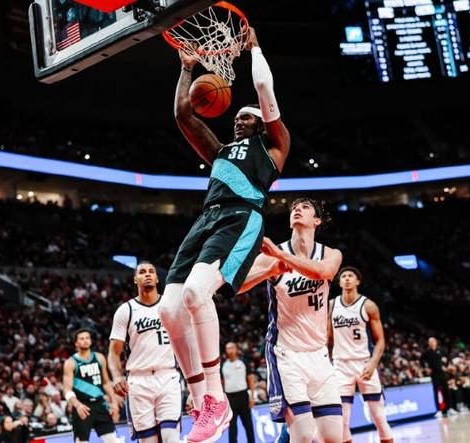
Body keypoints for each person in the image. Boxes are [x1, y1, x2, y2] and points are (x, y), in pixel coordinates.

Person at [158, 26, 291, 442]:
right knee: (168, 310)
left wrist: (255, 49)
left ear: (260, 122)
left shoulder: (274, 146)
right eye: (235, 118)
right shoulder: (218, 151)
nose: (238, 121)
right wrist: (187, 68)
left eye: (245, 117)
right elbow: (183, 115)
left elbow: (265, 90)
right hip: (206, 220)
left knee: (196, 293)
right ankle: (201, 400)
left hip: (241, 216)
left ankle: (217, 399)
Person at [239, 198, 343, 443]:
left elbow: (323, 272)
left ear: (316, 221)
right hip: (286, 353)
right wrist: (269, 270)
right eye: (294, 207)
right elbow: (237, 285)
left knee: (333, 437)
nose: (297, 209)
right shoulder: (272, 256)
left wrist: (279, 255)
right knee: (303, 434)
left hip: (319, 355)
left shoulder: (330, 254)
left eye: (305, 207)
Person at [109, 261, 181, 442]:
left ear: (157, 279)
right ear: (135, 279)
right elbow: (114, 352)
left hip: (168, 376)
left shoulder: (170, 305)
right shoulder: (125, 310)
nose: (147, 274)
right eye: (142, 272)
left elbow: (187, 344)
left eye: (151, 271)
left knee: (171, 437)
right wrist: (117, 376)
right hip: (138, 381)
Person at [328, 267, 393, 443]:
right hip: (340, 365)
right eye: (343, 276)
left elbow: (380, 341)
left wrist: (373, 364)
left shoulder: (368, 306)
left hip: (364, 363)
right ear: (339, 282)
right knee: (342, 421)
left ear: (358, 281)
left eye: (351, 276)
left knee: (379, 418)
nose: (347, 278)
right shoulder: (332, 305)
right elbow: (328, 339)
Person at [62, 329, 119, 443]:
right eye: (82, 339)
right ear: (76, 343)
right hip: (82, 406)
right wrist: (77, 405)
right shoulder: (71, 362)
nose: (85, 340)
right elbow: (67, 390)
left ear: (91, 341)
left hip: (100, 404)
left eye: (87, 338)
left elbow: (106, 382)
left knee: (113, 440)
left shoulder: (99, 357)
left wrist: (114, 402)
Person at [221, 342, 255, 443]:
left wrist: (252, 397)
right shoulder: (223, 365)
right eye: (227, 348)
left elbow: (251, 379)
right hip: (230, 398)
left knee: (248, 425)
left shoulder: (243, 362)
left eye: (232, 348)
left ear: (236, 349)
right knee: (232, 426)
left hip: (243, 396)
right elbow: (221, 383)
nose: (230, 350)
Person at [421, 337, 456, 416]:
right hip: (434, 374)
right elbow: (421, 361)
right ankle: (439, 410)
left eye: (433, 341)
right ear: (428, 343)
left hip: (443, 374)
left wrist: (447, 366)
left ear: (436, 342)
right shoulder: (427, 352)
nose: (431, 343)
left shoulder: (442, 350)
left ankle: (450, 408)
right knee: (436, 392)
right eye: (430, 342)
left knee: (446, 391)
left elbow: (447, 359)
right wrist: (426, 368)